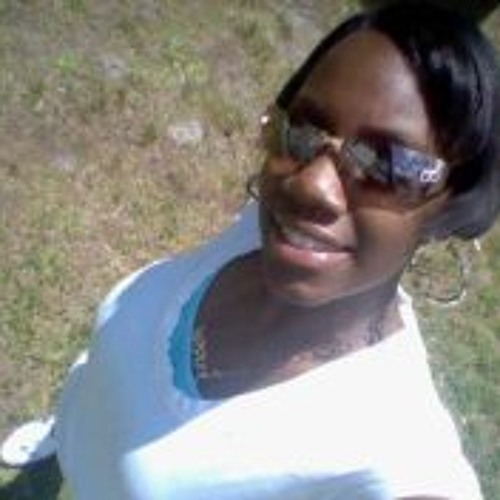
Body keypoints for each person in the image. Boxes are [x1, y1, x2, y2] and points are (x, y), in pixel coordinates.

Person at [2, 1, 499, 498]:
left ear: (453, 207)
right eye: (302, 129)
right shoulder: (264, 230)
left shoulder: (393, 448)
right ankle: (54, 446)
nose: (310, 185)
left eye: (388, 164)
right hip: (84, 418)